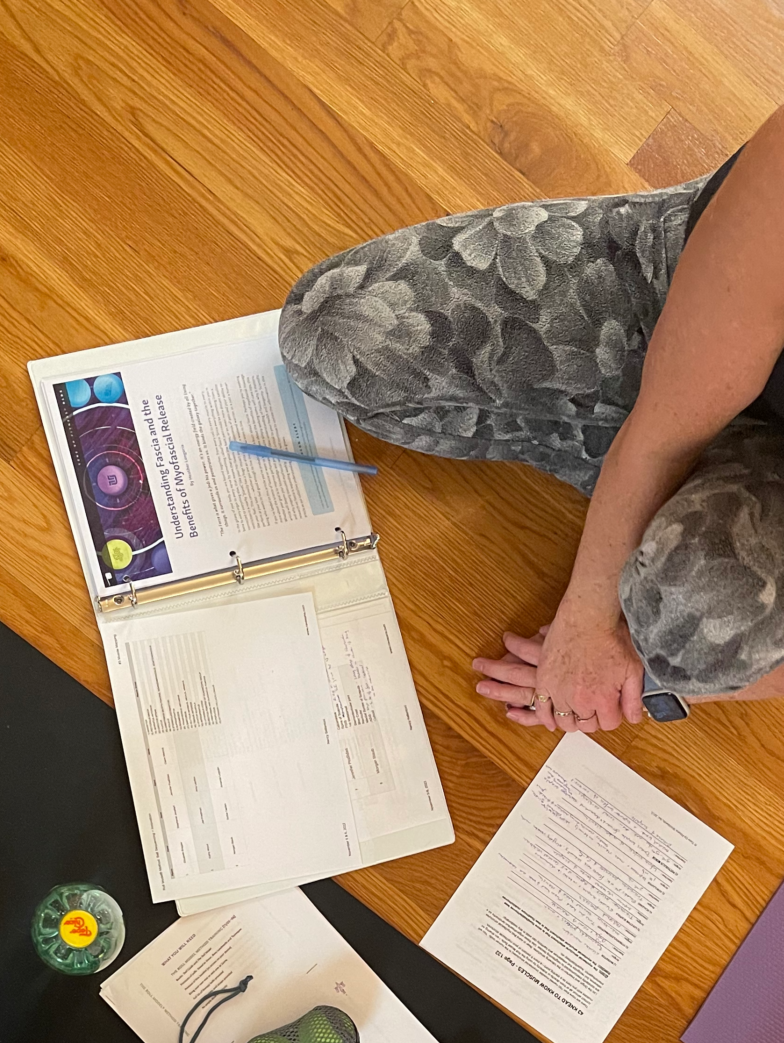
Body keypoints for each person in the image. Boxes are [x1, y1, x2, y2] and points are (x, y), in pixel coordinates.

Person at [279, 111, 784, 729]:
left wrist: (639, 675)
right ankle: (644, 504)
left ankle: (647, 518)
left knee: (699, 620)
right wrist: (588, 619)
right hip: (695, 301)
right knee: (334, 331)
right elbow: (667, 425)